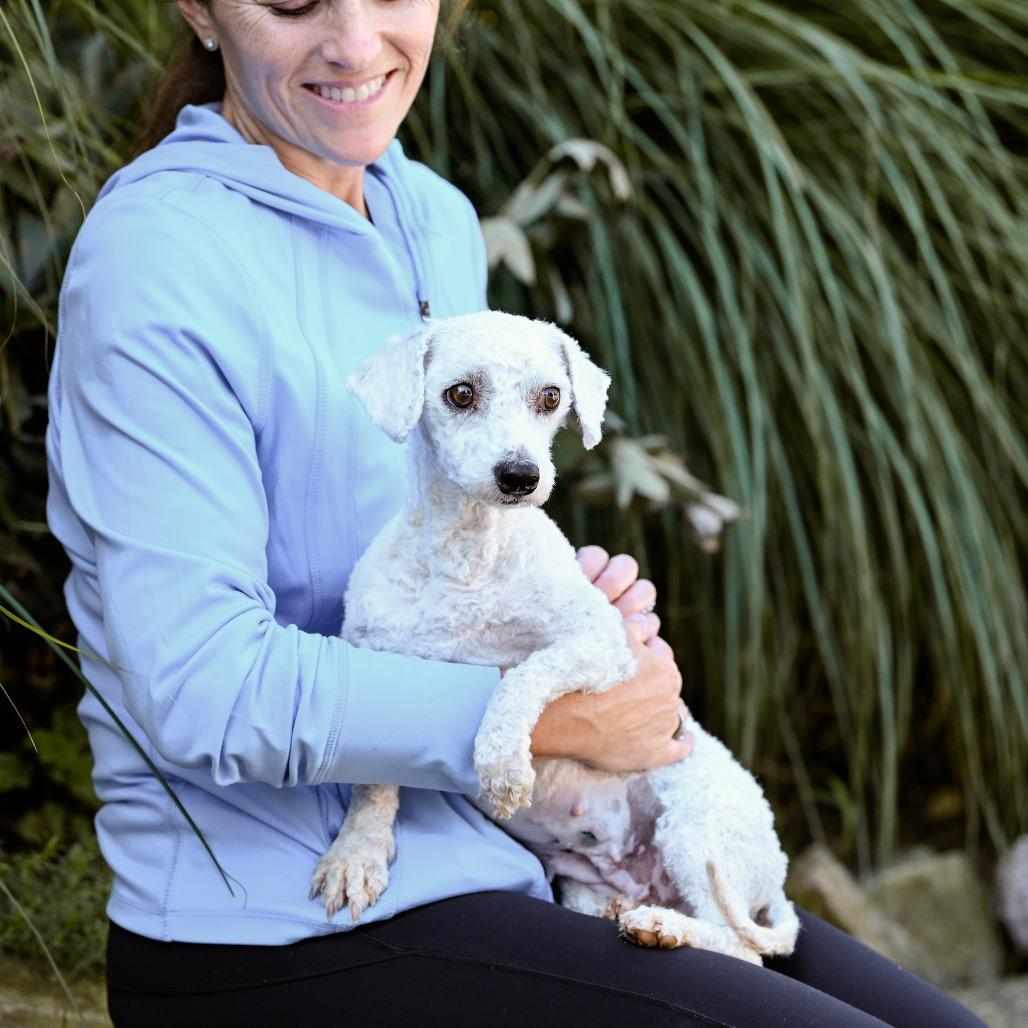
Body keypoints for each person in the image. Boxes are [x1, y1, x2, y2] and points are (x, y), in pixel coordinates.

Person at [44, 2, 984, 1024]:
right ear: (199, 8)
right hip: (277, 929)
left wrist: (557, 619)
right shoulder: (155, 256)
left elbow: (439, 542)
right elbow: (199, 685)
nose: (355, 44)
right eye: (291, 0)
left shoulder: (431, 216)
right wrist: (554, 718)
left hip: (518, 870)